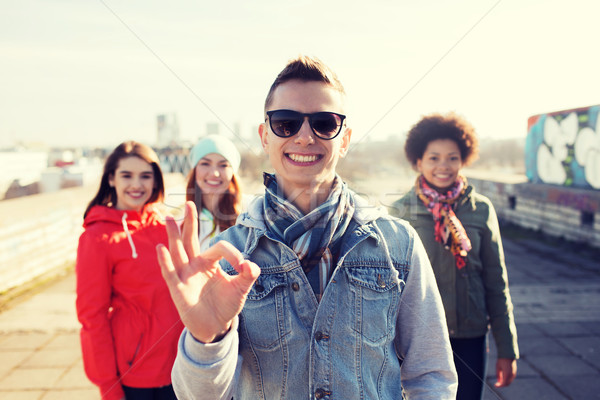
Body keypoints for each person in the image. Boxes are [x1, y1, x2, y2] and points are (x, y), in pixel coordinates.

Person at [157, 56, 458, 399]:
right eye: (285, 123)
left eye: (324, 123)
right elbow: (199, 396)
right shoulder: (228, 256)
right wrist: (205, 340)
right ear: (264, 136)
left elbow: (431, 374)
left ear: (344, 139)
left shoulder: (398, 243)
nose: (303, 137)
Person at [389, 113, 519, 400]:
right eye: (433, 158)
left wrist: (507, 349)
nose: (443, 166)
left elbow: (496, 281)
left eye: (452, 158)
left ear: (464, 160)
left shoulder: (481, 210)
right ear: (418, 161)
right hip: (420, 338)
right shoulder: (399, 213)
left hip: (471, 335)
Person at [76, 141, 183, 400]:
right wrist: (108, 386)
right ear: (111, 179)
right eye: (127, 175)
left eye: (145, 176)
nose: (137, 184)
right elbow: (92, 317)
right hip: (135, 373)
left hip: (181, 367)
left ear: (156, 181)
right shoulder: (97, 237)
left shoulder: (165, 228)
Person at [185, 134, 243, 251]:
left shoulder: (250, 214)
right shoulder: (180, 222)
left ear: (233, 172)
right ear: (194, 170)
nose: (214, 173)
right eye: (205, 164)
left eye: (223, 165)